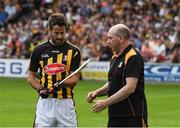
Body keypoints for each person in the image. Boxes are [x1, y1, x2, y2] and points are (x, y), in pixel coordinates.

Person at [87, 24, 148, 127]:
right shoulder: (115, 57)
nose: (108, 41)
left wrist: (106, 102)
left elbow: (130, 88)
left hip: (132, 117)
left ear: (121, 38)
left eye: (110, 38)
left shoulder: (133, 57)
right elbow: (113, 82)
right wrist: (97, 92)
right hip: (115, 116)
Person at [27, 13, 81, 127]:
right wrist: (40, 89)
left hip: (66, 104)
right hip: (45, 103)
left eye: (62, 33)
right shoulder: (38, 50)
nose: (60, 36)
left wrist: (61, 84)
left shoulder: (74, 51)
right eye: (56, 33)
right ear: (49, 30)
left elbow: (75, 79)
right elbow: (31, 76)